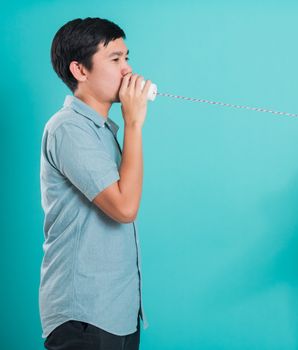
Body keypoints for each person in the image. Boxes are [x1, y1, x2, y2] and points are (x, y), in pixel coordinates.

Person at [40, 17, 152, 350]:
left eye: (127, 57)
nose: (128, 70)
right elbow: (125, 207)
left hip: (117, 312)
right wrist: (134, 123)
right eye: (115, 59)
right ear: (80, 70)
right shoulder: (68, 129)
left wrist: (128, 126)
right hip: (84, 317)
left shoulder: (101, 130)